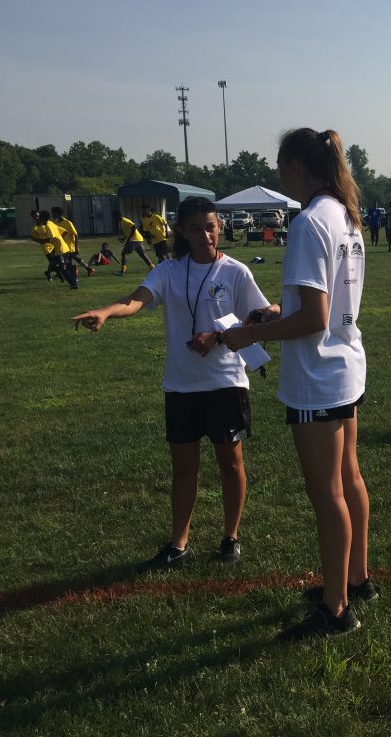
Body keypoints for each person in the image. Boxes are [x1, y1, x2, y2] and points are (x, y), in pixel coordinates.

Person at [223, 127, 372, 642]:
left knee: (327, 491)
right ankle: (356, 579)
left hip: (318, 375)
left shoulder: (311, 221)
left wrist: (250, 333)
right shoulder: (344, 214)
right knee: (349, 478)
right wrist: (273, 314)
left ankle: (336, 609)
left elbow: (313, 317)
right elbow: (319, 309)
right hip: (345, 364)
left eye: (279, 166)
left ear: (294, 166)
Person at [72, 196, 273, 570]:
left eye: (211, 226)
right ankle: (179, 542)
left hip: (226, 382)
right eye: (196, 228)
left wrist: (216, 334)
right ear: (181, 231)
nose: (206, 234)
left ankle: (231, 536)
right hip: (181, 385)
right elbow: (135, 301)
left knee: (230, 461)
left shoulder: (236, 272)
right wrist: (106, 312)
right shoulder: (168, 270)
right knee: (183, 467)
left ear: (219, 228)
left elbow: (261, 316)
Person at [31, 209, 77, 288]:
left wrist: (36, 239)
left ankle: (74, 284)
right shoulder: (51, 223)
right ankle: (74, 282)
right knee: (63, 266)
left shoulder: (48, 226)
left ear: (42, 218)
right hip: (63, 247)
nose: (38, 218)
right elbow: (65, 232)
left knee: (62, 268)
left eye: (39, 216)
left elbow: (49, 239)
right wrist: (59, 239)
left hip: (60, 249)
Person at [52, 206, 94, 277]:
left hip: (69, 246)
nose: (52, 215)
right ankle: (88, 269)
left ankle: (70, 273)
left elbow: (76, 235)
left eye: (53, 213)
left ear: (58, 213)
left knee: (67, 261)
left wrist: (76, 247)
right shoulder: (55, 223)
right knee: (74, 258)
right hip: (61, 245)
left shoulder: (68, 222)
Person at [113, 209, 155, 275]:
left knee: (124, 253)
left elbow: (134, 227)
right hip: (139, 239)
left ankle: (122, 271)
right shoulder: (122, 222)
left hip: (134, 240)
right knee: (143, 255)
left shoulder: (124, 221)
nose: (114, 220)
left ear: (117, 216)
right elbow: (129, 231)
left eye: (114, 218)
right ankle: (153, 268)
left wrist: (129, 238)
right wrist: (124, 238)